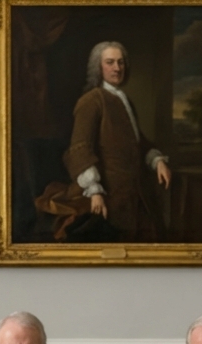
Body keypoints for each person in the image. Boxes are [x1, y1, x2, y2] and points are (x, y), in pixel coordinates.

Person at [43, 41, 171, 242]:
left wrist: (158, 161)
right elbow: (80, 149)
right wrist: (94, 191)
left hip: (133, 192)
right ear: (98, 67)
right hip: (108, 193)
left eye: (120, 62)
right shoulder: (92, 100)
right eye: (110, 62)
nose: (117, 68)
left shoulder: (124, 100)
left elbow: (137, 142)